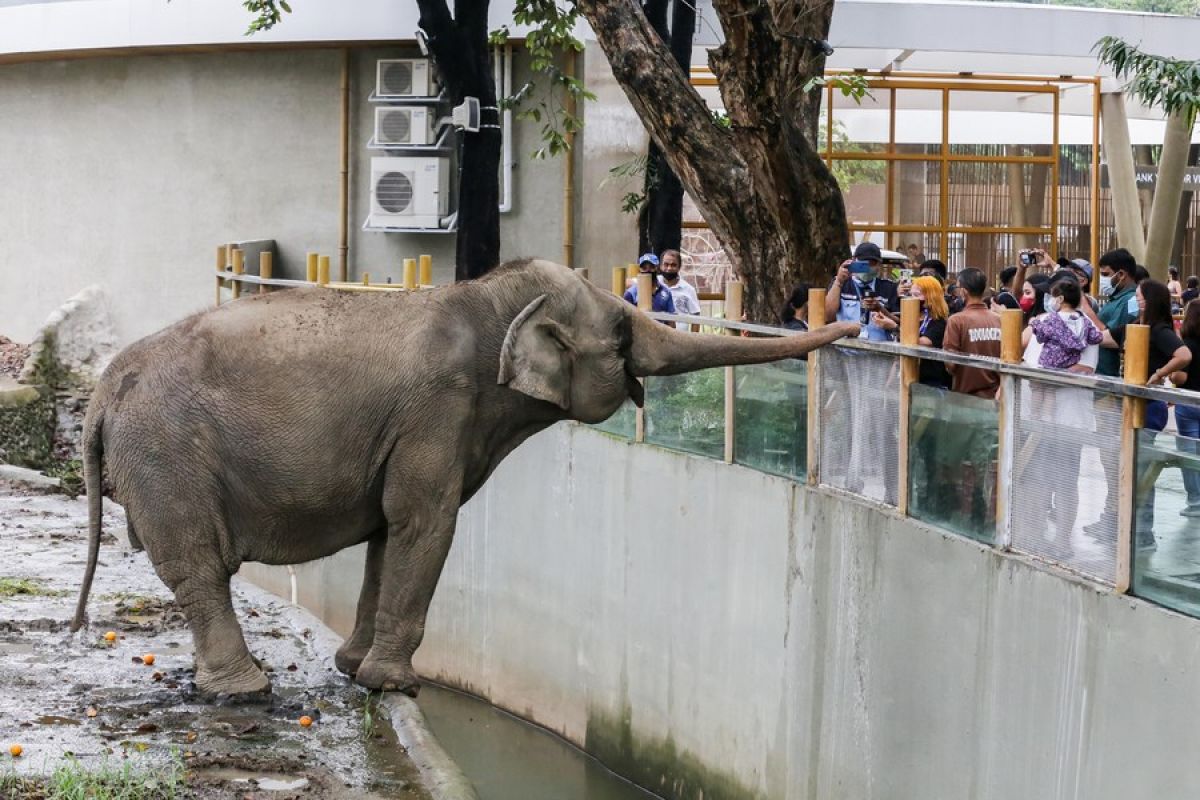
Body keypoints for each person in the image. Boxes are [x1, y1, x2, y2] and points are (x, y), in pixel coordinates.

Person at [1103, 280, 1192, 549]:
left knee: (1142, 466)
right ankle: (1133, 527)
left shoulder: (1158, 330)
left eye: (1139, 296)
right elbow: (1102, 336)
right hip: (1131, 403)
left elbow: (1184, 354)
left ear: (1149, 300)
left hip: (1149, 405)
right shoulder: (1133, 328)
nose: (1136, 300)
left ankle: (1143, 532)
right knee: (1131, 465)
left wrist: (1158, 375)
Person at [1019, 272, 1101, 556]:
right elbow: (1025, 360)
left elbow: (1086, 369)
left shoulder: (1084, 326)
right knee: (1035, 478)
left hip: (1068, 419)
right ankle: (1033, 533)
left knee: (1065, 480)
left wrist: (1048, 376)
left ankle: (1062, 540)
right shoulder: (1042, 322)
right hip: (1037, 417)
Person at [1082, 249, 1141, 536]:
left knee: (1114, 455)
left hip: (1111, 385)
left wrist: (1083, 305)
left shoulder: (1131, 302)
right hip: (1100, 384)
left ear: (1122, 273)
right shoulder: (1116, 299)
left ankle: (1118, 519)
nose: (1103, 280)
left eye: (1106, 275)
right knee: (1108, 456)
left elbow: (1113, 337)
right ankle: (1111, 515)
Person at [944, 267, 1002, 398]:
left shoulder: (956, 321)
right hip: (996, 397)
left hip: (965, 398)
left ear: (964, 292)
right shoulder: (999, 320)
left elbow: (951, 364)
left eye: (958, 288)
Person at [824, 241, 900, 341]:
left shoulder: (889, 287)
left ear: (879, 265)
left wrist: (880, 309)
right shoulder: (841, 284)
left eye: (872, 263)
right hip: (847, 351)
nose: (868, 267)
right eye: (863, 263)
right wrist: (838, 282)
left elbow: (898, 322)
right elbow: (827, 316)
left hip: (879, 351)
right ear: (853, 261)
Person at [1029, 279, 1103, 371]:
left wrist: (1034, 323)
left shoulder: (1052, 319)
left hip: (1050, 363)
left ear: (1060, 299)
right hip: (1071, 362)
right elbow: (1096, 337)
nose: (1051, 300)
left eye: (1053, 297)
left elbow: (1041, 336)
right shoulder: (1085, 320)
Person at [1172, 299, 1200, 516]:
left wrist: (1170, 373)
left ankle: (1195, 501)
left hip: (1189, 402)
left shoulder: (1187, 346)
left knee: (1189, 453)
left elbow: (1180, 378)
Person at [659, 249, 700, 329]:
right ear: (660, 266)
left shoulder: (688, 289)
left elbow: (696, 317)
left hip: (680, 338)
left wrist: (693, 340)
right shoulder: (653, 284)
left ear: (679, 267)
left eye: (673, 265)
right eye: (666, 264)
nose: (669, 268)